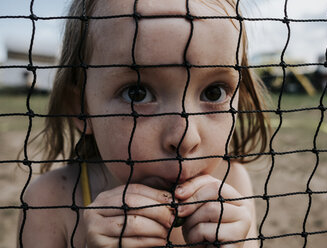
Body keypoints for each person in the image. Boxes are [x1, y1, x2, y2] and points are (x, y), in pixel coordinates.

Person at [18, 0, 269, 247]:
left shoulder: (233, 183)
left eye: (214, 92)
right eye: (137, 93)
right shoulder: (48, 202)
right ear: (81, 109)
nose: (185, 138)